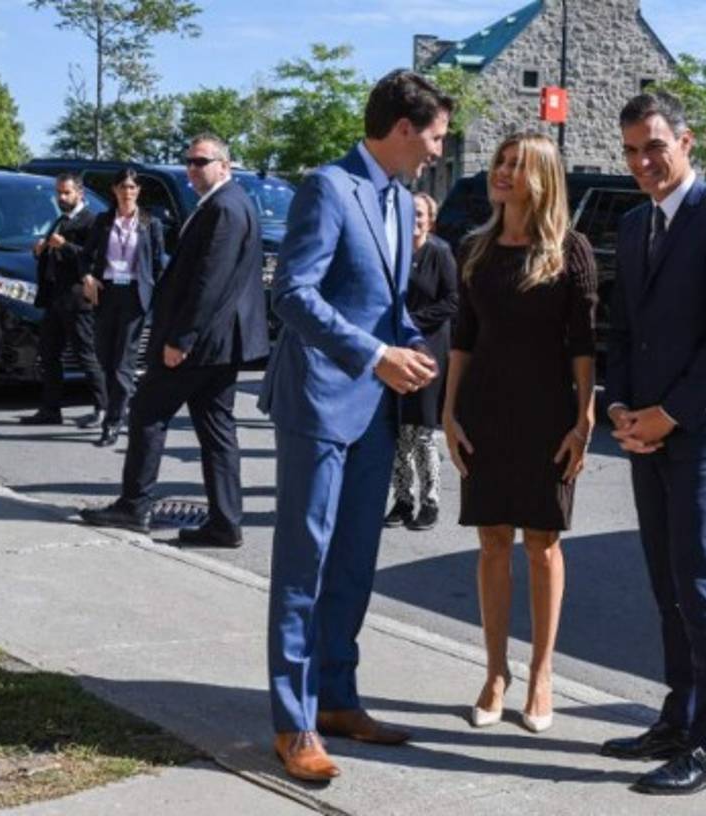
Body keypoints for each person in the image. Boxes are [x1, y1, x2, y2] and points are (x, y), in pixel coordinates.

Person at [258, 70, 453, 783]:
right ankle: (295, 722)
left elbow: (388, 305)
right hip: (318, 403)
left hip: (375, 408)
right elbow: (292, 294)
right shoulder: (328, 187)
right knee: (304, 565)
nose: (438, 150)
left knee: (353, 563)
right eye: (435, 137)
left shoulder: (400, 199)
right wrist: (375, 355)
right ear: (403, 129)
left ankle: (337, 700)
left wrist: (411, 348)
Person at [597, 92, 706, 796]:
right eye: (632, 151)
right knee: (666, 582)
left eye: (654, 147)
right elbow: (623, 330)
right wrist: (619, 407)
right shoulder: (635, 224)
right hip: (647, 431)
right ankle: (678, 718)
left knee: (700, 583)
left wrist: (669, 415)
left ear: (686, 142)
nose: (642, 162)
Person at [441, 132, 597, 735]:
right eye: (500, 162)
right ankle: (494, 673)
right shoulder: (475, 249)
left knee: (542, 543)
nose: (502, 172)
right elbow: (463, 336)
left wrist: (583, 419)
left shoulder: (570, 251)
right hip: (484, 409)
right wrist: (448, 412)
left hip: (547, 412)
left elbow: (583, 344)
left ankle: (541, 674)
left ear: (543, 178)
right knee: (491, 541)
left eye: (517, 165)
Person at [79, 134, 269, 547]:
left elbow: (209, 282)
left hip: (201, 343)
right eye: (189, 161)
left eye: (201, 161)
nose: (191, 169)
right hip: (219, 343)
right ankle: (225, 522)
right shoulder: (228, 203)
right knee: (217, 430)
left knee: (147, 412)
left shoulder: (224, 208)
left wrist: (182, 338)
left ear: (224, 165)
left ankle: (134, 506)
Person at [383, 192, 458, 531]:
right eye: (408, 213)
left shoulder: (439, 252)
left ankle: (430, 501)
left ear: (431, 220)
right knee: (400, 430)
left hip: (429, 347)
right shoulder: (393, 250)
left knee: (423, 431)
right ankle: (402, 499)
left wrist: (412, 322)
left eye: (419, 214)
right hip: (395, 349)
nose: (413, 220)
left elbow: (452, 301)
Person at [81, 168, 166, 448]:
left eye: (132, 187)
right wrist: (87, 276)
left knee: (122, 364)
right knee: (105, 357)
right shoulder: (103, 221)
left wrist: (157, 298)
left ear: (138, 191)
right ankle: (127, 407)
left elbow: (158, 263)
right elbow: (85, 256)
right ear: (114, 190)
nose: (127, 192)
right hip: (106, 293)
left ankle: (113, 422)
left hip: (134, 294)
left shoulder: (150, 223)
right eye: (122, 187)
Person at [22, 173, 107, 427]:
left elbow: (94, 259)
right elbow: (54, 255)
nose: (61, 197)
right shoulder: (60, 220)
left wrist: (64, 246)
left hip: (78, 300)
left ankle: (103, 409)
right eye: (58, 192)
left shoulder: (91, 222)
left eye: (67, 192)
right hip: (55, 299)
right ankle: (50, 409)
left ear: (80, 193)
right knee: (49, 354)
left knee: (85, 355)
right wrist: (41, 250)